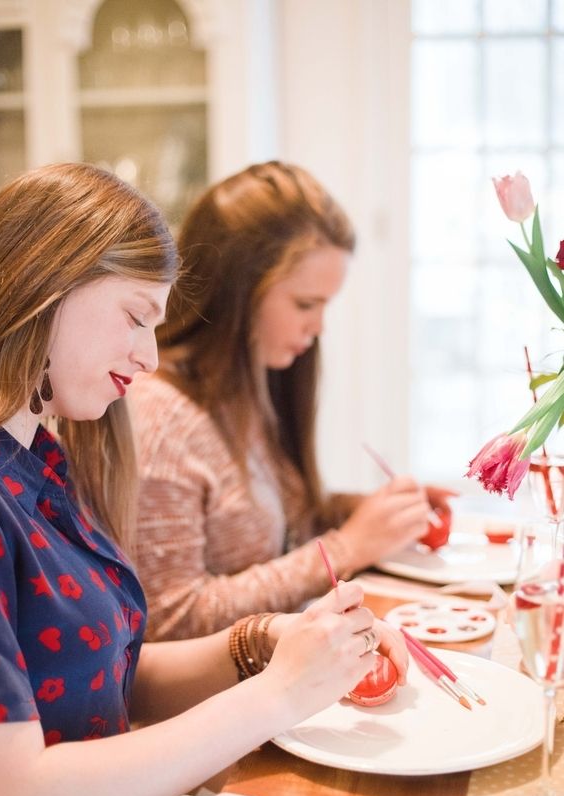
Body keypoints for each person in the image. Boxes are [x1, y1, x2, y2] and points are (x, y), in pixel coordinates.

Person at [0, 162, 407, 796]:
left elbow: (94, 675)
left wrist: (263, 641)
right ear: (44, 284)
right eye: (136, 315)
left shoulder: (38, 459)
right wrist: (276, 696)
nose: (148, 357)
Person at [130, 160, 453, 641]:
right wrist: (347, 546)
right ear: (237, 290)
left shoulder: (249, 386)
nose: (318, 327)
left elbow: (281, 524)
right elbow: (171, 622)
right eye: (306, 304)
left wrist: (368, 513)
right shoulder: (157, 416)